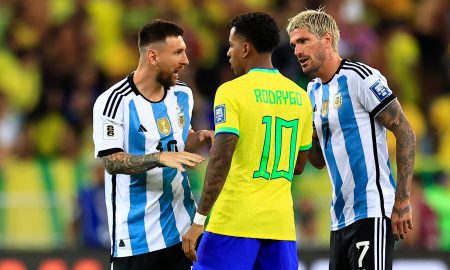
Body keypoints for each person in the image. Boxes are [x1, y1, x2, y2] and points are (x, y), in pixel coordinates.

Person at [286, 9, 416, 270]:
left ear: (326, 40)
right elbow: (318, 161)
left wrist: (401, 200)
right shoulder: (312, 92)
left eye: (303, 41)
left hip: (372, 209)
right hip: (339, 218)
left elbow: (405, 133)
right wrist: (309, 134)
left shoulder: (360, 77)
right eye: (293, 45)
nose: (297, 51)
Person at [182, 12, 313, 270]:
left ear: (245, 48)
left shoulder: (231, 92)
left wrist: (199, 220)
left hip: (233, 222)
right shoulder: (300, 96)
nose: (228, 53)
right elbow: (298, 165)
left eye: (231, 46)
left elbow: (220, 159)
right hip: (280, 226)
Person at [92, 19, 213, 270]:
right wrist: (159, 158)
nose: (186, 60)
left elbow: (181, 139)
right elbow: (112, 162)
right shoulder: (114, 102)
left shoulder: (183, 93)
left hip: (183, 230)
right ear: (153, 56)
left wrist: (199, 138)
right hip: (136, 238)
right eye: (178, 52)